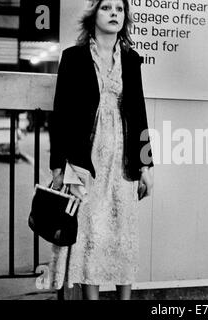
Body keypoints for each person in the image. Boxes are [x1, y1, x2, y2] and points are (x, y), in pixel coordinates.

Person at [47, 0, 154, 300]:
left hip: (124, 158)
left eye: (119, 10)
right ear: (93, 15)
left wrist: (147, 166)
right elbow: (61, 114)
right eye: (107, 8)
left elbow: (140, 113)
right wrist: (58, 167)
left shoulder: (131, 60)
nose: (114, 14)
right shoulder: (73, 58)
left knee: (122, 232)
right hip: (86, 157)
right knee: (89, 231)